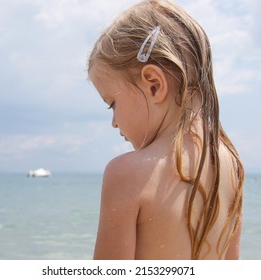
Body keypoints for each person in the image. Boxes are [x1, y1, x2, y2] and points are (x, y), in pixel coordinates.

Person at [88, 0, 244, 260]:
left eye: (112, 105)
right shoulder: (230, 166)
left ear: (153, 85)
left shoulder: (126, 174)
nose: (114, 122)